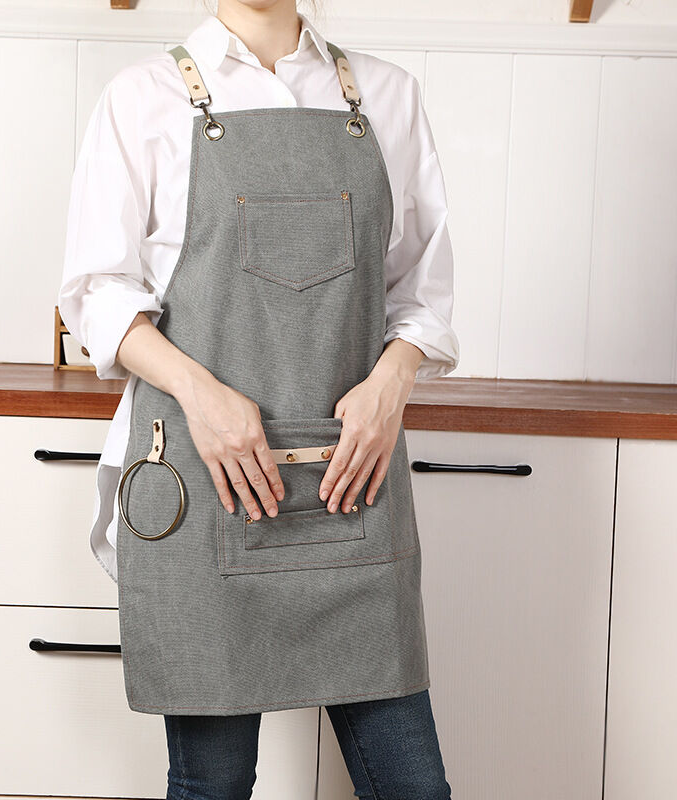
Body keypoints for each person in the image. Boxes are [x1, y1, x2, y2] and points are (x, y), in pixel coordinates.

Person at [59, 1, 458, 797]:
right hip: (207, 479)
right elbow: (97, 294)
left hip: (350, 480)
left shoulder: (386, 94)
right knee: (212, 786)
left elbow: (422, 289)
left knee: (413, 788)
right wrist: (201, 394)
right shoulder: (141, 96)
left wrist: (392, 383)